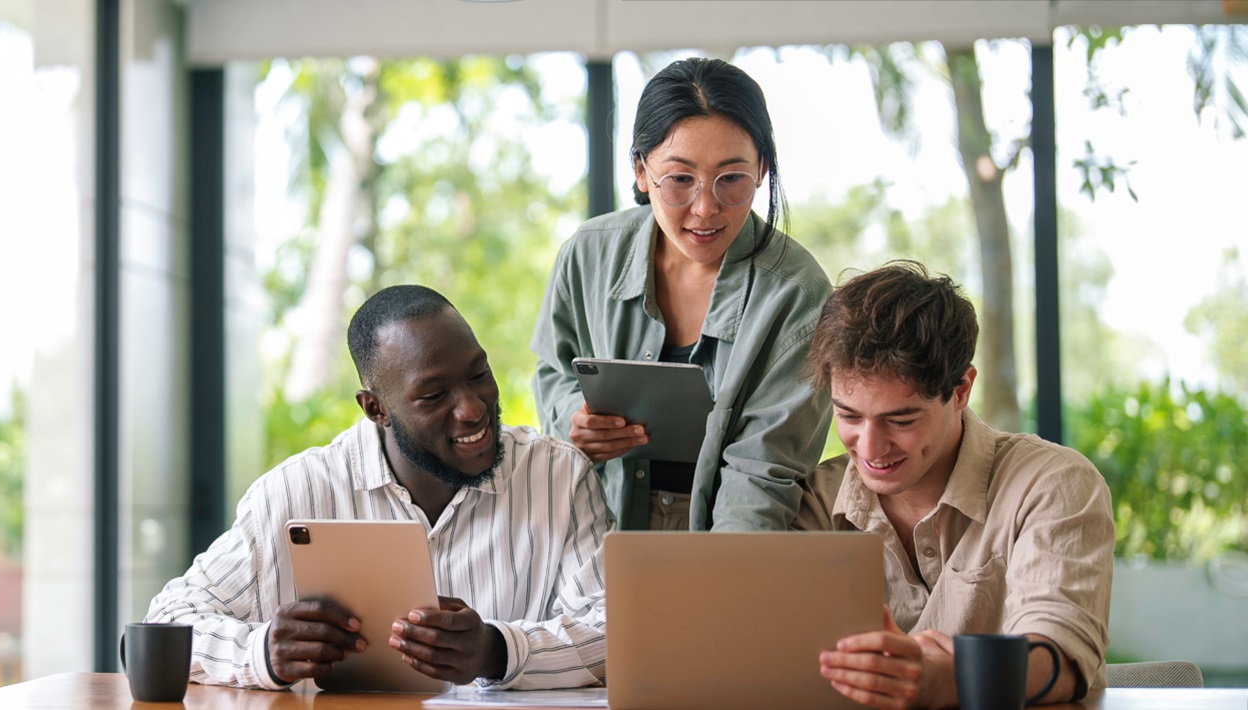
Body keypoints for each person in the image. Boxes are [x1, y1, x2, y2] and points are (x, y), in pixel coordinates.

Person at [143, 285, 614, 691]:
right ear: (375, 409)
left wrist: (496, 650)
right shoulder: (294, 493)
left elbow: (616, 632)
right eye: (433, 395)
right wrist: (262, 652)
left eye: (478, 375)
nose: (473, 409)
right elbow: (166, 623)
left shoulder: (557, 476)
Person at [531, 57, 832, 531]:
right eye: (680, 179)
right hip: (594, 520)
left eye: (731, 178)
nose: (706, 208)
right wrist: (574, 419)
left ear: (762, 169)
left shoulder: (798, 293)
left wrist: (717, 579)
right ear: (641, 171)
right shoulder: (587, 255)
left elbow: (764, 470)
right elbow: (554, 370)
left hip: (734, 528)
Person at [799, 262, 1114, 709]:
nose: (870, 447)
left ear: (961, 390)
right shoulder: (814, 500)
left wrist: (950, 680)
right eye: (849, 416)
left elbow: (1060, 655)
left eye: (901, 419)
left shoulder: (1052, 484)